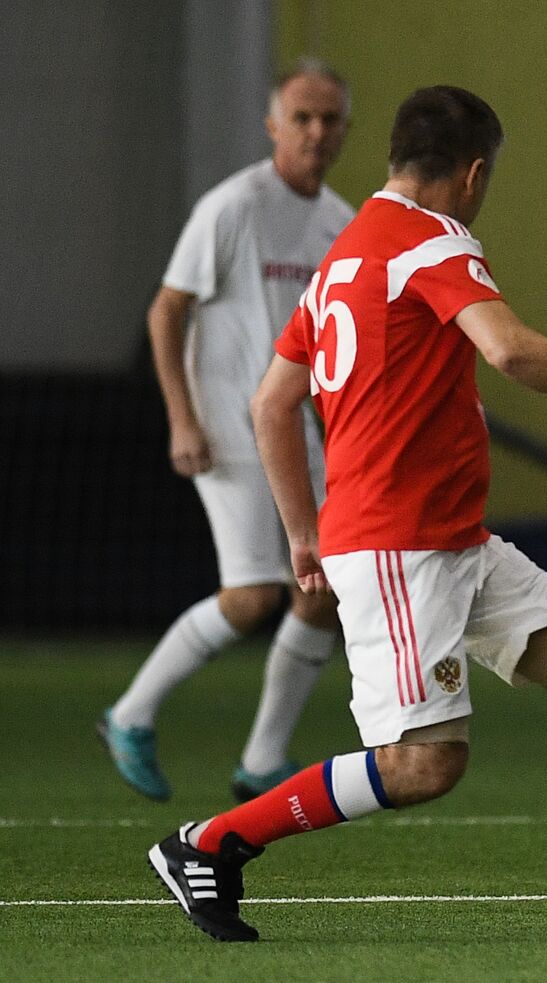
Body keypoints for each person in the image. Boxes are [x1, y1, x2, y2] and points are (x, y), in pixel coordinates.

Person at [146, 85, 547, 943]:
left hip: (446, 537)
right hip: (401, 543)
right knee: (424, 764)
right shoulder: (428, 239)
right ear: (474, 173)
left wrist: (304, 532)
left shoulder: (347, 251)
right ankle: (211, 843)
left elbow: (272, 402)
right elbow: (510, 348)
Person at [100, 60, 356, 804]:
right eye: (301, 118)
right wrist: (182, 416)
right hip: (227, 426)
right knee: (250, 597)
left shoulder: (340, 222)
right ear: (273, 125)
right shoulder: (232, 206)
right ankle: (129, 714)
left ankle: (262, 760)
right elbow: (165, 310)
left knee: (320, 589)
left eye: (329, 119)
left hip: (293, 430)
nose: (315, 131)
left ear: (344, 130)